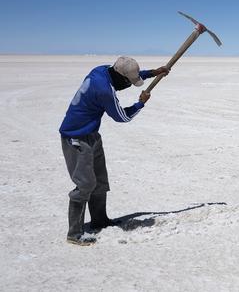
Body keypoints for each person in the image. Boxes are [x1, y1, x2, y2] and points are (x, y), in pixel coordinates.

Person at [59, 56, 169, 246]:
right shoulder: (104, 91)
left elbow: (122, 81)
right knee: (85, 184)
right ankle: (74, 233)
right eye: (128, 80)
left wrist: (152, 73)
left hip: (91, 134)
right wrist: (140, 103)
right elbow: (122, 117)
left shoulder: (102, 71)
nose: (128, 83)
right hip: (75, 137)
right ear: (121, 77)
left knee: (100, 181)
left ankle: (99, 220)